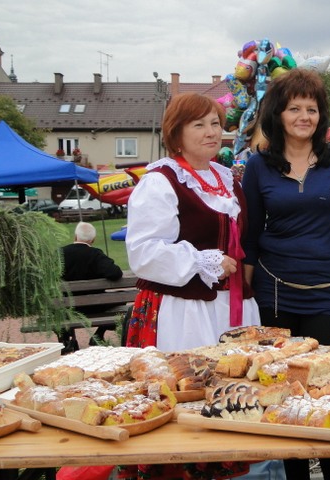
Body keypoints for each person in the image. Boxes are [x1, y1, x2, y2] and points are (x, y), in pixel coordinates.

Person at [121, 92, 262, 480]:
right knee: (186, 402)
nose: (211, 132)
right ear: (176, 134)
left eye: (215, 123)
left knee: (230, 404)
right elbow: (143, 252)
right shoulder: (160, 181)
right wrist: (202, 260)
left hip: (230, 310)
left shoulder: (227, 179)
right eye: (198, 125)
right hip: (181, 310)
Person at [242, 68, 330, 480]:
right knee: (284, 396)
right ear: (278, 114)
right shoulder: (258, 166)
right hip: (276, 294)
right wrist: (246, 293)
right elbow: (250, 233)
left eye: (311, 109)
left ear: (321, 115)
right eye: (294, 108)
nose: (304, 116)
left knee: (329, 393)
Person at [61, 221, 123, 347]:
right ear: (93, 240)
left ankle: (66, 340)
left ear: (75, 236)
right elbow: (115, 273)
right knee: (121, 296)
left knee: (58, 304)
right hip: (95, 306)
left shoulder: (60, 253)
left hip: (67, 307)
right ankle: (99, 334)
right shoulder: (95, 255)